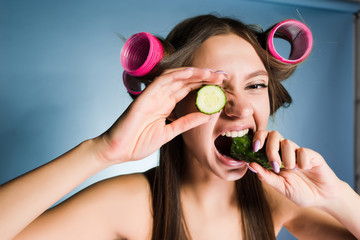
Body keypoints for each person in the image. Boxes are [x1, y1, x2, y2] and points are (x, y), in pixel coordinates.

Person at [0, 14, 359, 240]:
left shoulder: (279, 199)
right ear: (171, 106)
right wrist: (101, 150)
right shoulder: (132, 203)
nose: (239, 109)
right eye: (213, 91)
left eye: (255, 85)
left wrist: (337, 195)